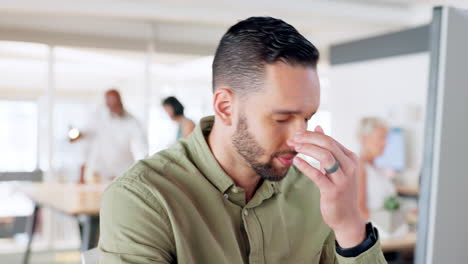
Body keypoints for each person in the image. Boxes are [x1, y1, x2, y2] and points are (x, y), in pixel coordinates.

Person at [99, 17, 387, 263]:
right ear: (225, 107)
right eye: (281, 118)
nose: (299, 139)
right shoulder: (143, 198)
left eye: (308, 118)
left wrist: (350, 226)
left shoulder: (314, 193)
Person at [71, 89, 148, 183]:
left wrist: (144, 168)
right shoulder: (97, 117)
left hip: (123, 172)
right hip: (100, 173)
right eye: (110, 101)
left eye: (116, 101)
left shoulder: (132, 121)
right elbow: (85, 139)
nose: (114, 104)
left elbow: (141, 147)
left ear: (121, 101)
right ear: (106, 103)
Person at [357, 117, 397, 219]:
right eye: (381, 138)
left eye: (386, 138)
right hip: (377, 230)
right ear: (364, 139)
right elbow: (360, 212)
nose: (385, 143)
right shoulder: (359, 168)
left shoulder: (377, 168)